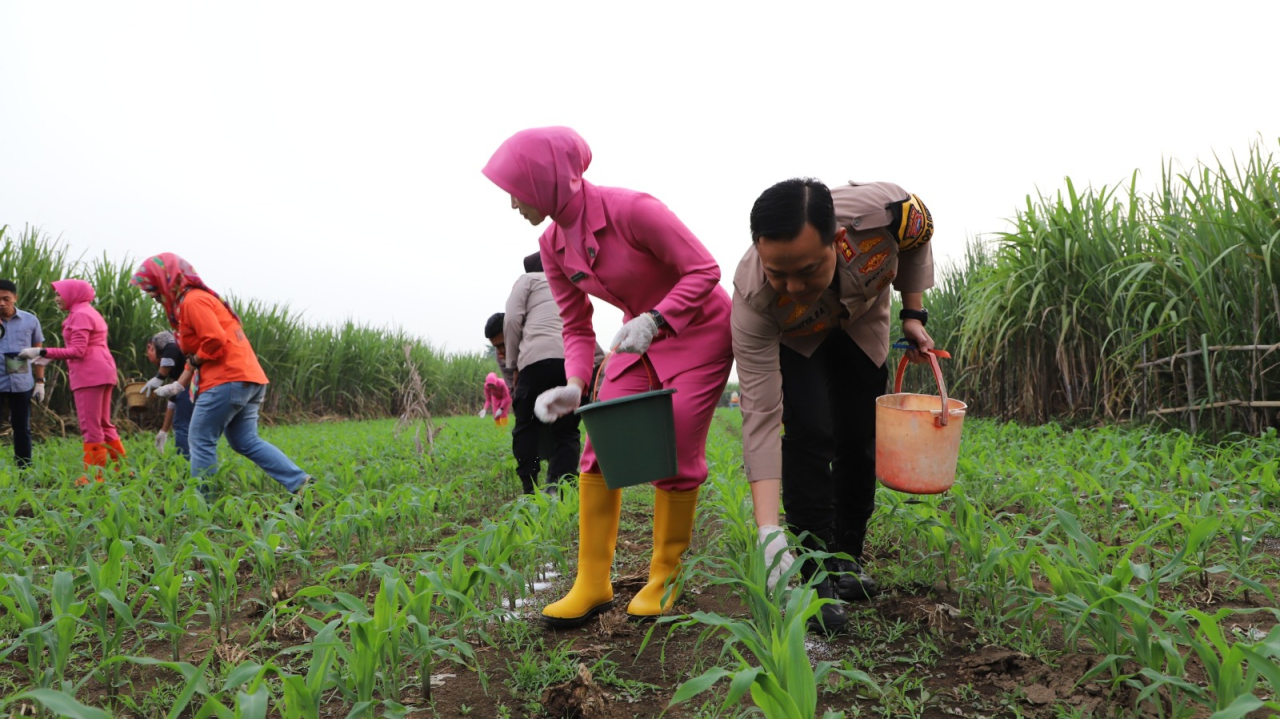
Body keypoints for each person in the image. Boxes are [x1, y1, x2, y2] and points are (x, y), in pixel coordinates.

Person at [482, 126, 733, 625]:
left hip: (698, 328)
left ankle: (666, 574)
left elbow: (705, 270)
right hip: (636, 337)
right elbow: (576, 325)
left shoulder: (634, 210)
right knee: (602, 440)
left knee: (677, 438)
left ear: (547, 177)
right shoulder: (552, 245)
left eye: (517, 188)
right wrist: (575, 385)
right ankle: (592, 581)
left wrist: (658, 319)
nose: (513, 202)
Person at [732, 178, 935, 631]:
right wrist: (768, 529)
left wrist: (912, 312)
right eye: (777, 273)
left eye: (806, 269)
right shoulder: (753, 299)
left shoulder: (887, 213)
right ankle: (815, 571)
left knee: (859, 433)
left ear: (838, 242)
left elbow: (920, 237)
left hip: (862, 322)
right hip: (798, 339)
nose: (793, 285)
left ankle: (847, 558)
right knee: (808, 431)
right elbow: (761, 416)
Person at [129, 253, 311, 496]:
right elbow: (200, 352)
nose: (152, 295)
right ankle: (300, 483)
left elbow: (214, 341)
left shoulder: (193, 301)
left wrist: (190, 365)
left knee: (200, 439)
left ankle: (201, 504)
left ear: (167, 280)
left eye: (153, 288)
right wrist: (179, 385)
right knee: (244, 440)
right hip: (248, 378)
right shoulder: (195, 301)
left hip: (226, 380)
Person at [488, 253, 600, 495]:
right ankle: (564, 491)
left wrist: (514, 364)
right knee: (567, 430)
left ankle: (531, 489)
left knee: (526, 427)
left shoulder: (527, 281)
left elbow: (512, 321)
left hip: (535, 363)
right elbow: (583, 330)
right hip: (572, 364)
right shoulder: (569, 283)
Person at [18, 279, 125, 483]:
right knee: (104, 423)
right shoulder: (89, 311)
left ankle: (94, 476)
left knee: (90, 425)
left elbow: (78, 350)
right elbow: (85, 346)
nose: (56, 298)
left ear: (73, 294)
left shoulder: (80, 315)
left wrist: (42, 350)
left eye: (59, 294)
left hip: (89, 373)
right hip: (102, 369)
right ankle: (123, 469)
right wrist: (50, 356)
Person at [0, 280, 46, 469]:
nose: (1, 303)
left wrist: (40, 381)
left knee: (22, 429)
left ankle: (24, 469)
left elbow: (39, 352)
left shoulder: (30, 320)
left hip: (21, 382)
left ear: (15, 298)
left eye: (6, 298)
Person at [141, 330, 193, 457]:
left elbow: (171, 347)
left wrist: (160, 376)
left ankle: (184, 467)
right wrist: (164, 430)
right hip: (191, 386)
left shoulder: (160, 339)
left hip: (196, 384)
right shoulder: (176, 367)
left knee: (182, 427)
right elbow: (174, 399)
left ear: (150, 348)